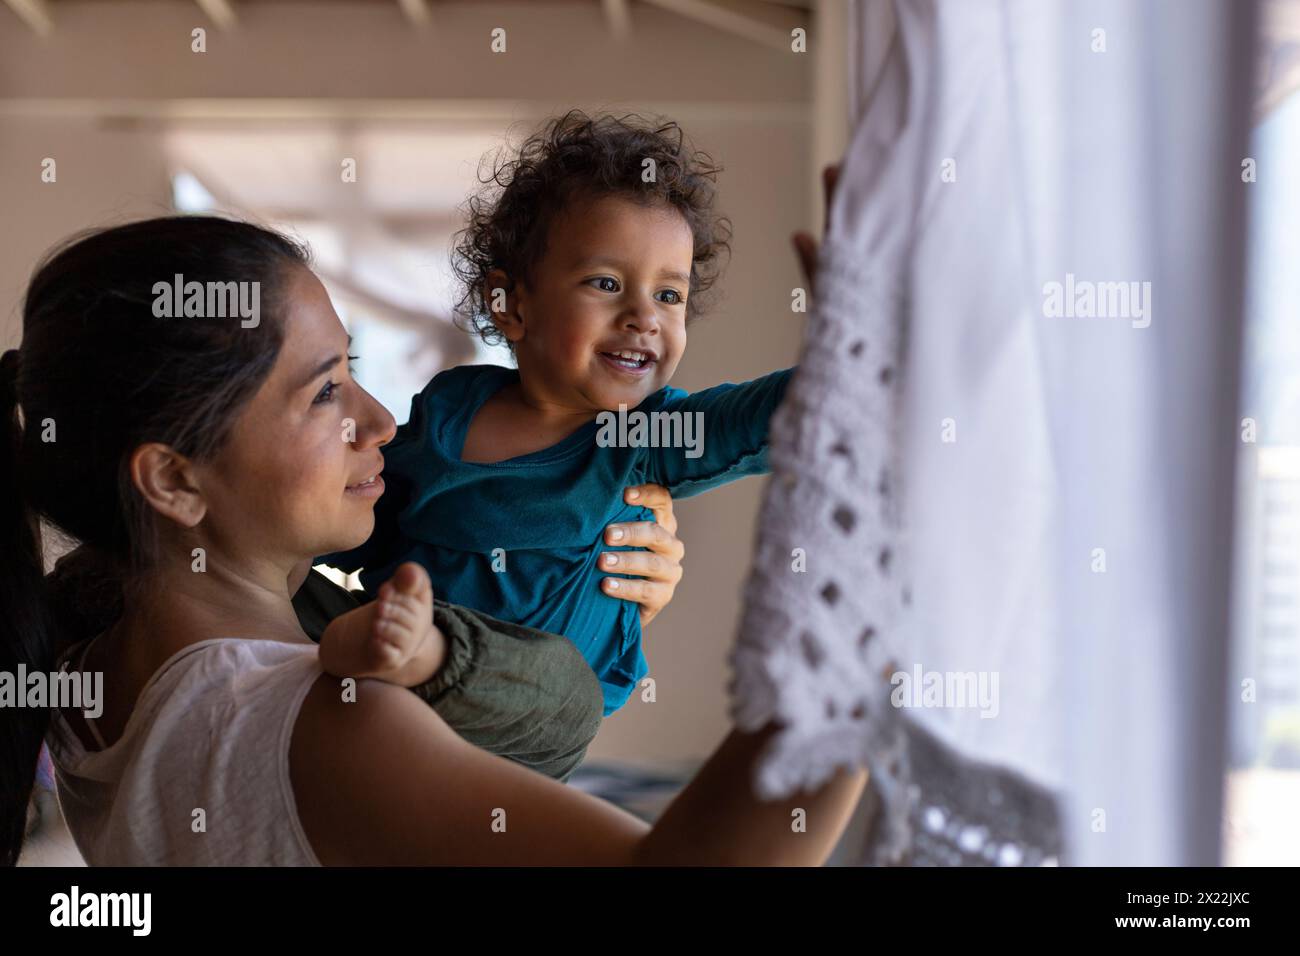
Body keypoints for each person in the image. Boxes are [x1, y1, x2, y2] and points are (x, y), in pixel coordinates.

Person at [1, 213, 865, 867]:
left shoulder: (89, 667)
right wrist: (869, 602)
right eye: (324, 393)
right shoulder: (326, 722)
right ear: (174, 481)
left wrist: (570, 577)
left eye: (357, 372)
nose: (379, 421)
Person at [323, 111, 792, 716]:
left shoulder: (645, 435)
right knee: (303, 604)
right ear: (511, 305)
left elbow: (755, 419)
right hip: (391, 707)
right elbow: (360, 511)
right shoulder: (451, 407)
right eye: (605, 283)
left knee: (543, 673)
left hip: (531, 716)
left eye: (668, 295)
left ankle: (426, 657)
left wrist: (854, 357)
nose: (644, 316)